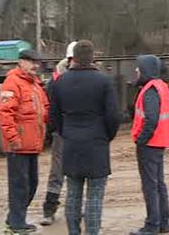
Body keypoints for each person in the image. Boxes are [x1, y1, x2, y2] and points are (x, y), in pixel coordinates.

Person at [50, 40, 120, 235]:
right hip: (97, 143)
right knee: (95, 197)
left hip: (71, 144)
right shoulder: (104, 81)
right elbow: (113, 116)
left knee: (72, 194)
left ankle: (73, 232)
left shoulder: (59, 82)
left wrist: (66, 133)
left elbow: (53, 117)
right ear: (92, 58)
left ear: (73, 58)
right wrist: (107, 135)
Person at [0, 49, 50, 235]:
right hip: (18, 146)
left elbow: (44, 108)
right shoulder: (13, 83)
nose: (35, 65)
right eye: (31, 62)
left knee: (31, 184)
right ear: (20, 62)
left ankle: (15, 218)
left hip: (32, 144)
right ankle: (16, 224)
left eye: (37, 62)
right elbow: (5, 114)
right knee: (20, 185)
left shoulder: (35, 84)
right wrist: (13, 138)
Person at [129, 55, 169, 235]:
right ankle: (163, 223)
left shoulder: (150, 91)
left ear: (146, 69)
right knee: (158, 184)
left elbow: (151, 119)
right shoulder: (160, 87)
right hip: (159, 142)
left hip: (150, 144)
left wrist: (141, 139)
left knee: (150, 186)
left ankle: (152, 225)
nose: (136, 71)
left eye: (139, 68)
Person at [40, 41, 76, 226]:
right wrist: (56, 130)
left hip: (78, 133)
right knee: (57, 172)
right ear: (69, 59)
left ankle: (75, 207)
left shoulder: (86, 77)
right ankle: (49, 209)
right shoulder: (57, 80)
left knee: (78, 172)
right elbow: (52, 109)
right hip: (62, 133)